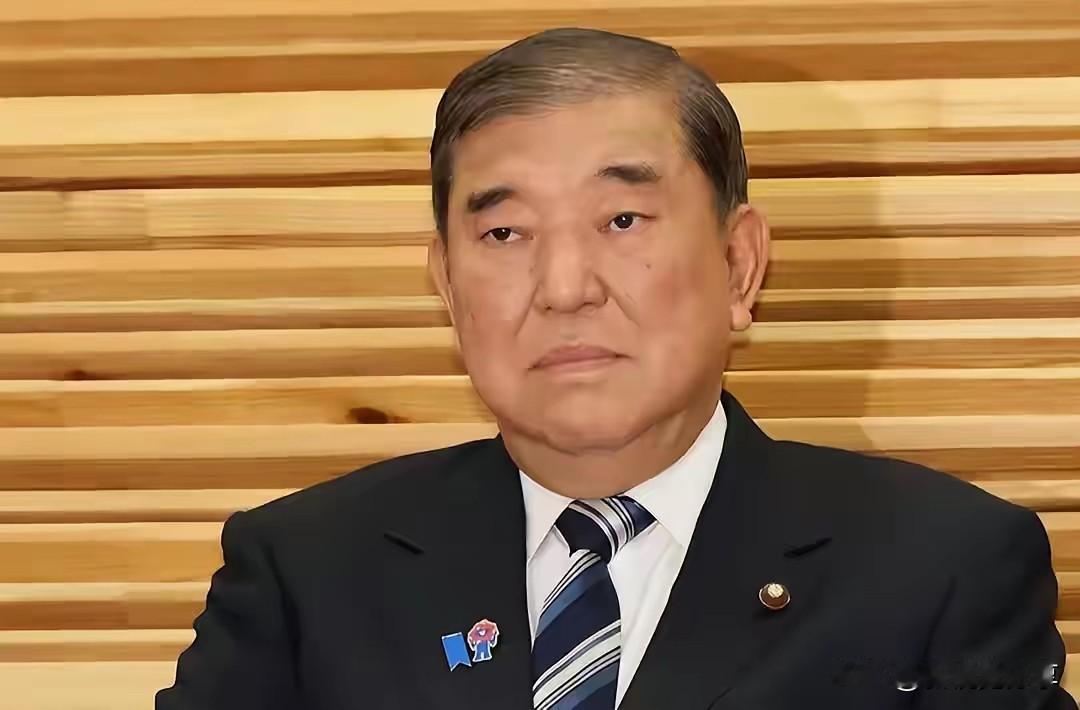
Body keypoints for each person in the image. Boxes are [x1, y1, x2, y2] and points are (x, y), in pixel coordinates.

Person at [156, 27, 1072, 709]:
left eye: (622, 221)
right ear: (447, 285)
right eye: (504, 233)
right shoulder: (306, 571)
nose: (564, 288)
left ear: (738, 266)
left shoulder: (939, 567)